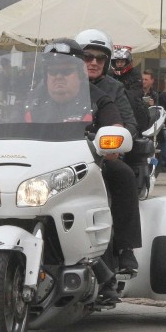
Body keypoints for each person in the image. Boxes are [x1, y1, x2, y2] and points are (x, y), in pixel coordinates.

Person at [41, 40, 141, 280]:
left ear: (77, 72)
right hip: (40, 167)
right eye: (52, 71)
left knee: (122, 173)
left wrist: (111, 140)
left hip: (88, 164)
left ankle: (124, 248)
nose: (58, 77)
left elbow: (118, 125)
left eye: (65, 70)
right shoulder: (31, 99)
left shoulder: (100, 96)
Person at [75, 29, 138, 138]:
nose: (94, 63)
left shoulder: (114, 87)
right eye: (88, 57)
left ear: (106, 62)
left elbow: (130, 124)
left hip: (101, 149)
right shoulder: (62, 80)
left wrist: (114, 139)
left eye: (100, 58)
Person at [110, 46, 150, 134]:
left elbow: (137, 92)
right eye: (117, 62)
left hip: (130, 105)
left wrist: (121, 94)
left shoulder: (135, 73)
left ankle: (138, 132)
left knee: (138, 106)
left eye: (122, 62)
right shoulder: (110, 74)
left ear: (127, 62)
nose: (120, 64)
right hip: (112, 103)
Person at [142, 69, 166, 172]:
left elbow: (161, 110)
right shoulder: (136, 93)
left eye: (146, 79)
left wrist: (154, 105)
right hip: (141, 124)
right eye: (142, 79)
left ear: (152, 81)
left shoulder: (155, 95)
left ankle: (161, 163)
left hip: (154, 124)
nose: (143, 81)